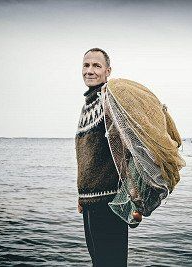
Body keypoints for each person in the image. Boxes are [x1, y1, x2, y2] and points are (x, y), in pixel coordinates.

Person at [75, 48, 128, 266]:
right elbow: (87, 155)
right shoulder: (88, 104)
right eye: (86, 65)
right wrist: (82, 194)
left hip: (110, 202)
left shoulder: (109, 101)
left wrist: (130, 193)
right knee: (98, 262)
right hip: (90, 202)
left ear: (108, 71)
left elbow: (126, 147)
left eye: (96, 66)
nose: (90, 70)